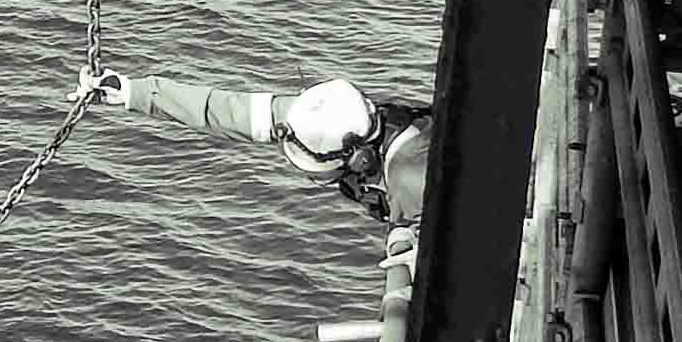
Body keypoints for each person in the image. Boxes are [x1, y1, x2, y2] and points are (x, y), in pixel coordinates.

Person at [83, 69, 432, 226]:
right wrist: (132, 92)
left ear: (359, 160)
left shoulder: (412, 179)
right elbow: (225, 110)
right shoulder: (323, 121)